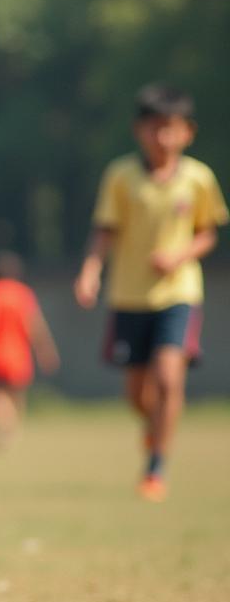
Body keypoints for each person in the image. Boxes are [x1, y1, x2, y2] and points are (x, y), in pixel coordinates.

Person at [74, 82, 227, 502]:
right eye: (153, 128)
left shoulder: (198, 178)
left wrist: (181, 256)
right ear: (138, 130)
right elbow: (104, 231)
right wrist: (90, 272)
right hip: (128, 295)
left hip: (178, 294)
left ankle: (157, 467)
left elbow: (207, 233)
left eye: (170, 128)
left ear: (187, 132)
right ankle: (154, 430)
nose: (162, 138)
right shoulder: (121, 176)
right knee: (137, 393)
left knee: (168, 377)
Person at [0, 251, 59, 448]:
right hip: (19, 354)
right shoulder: (24, 293)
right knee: (15, 396)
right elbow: (36, 326)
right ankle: (11, 430)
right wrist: (46, 351)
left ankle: (5, 422)